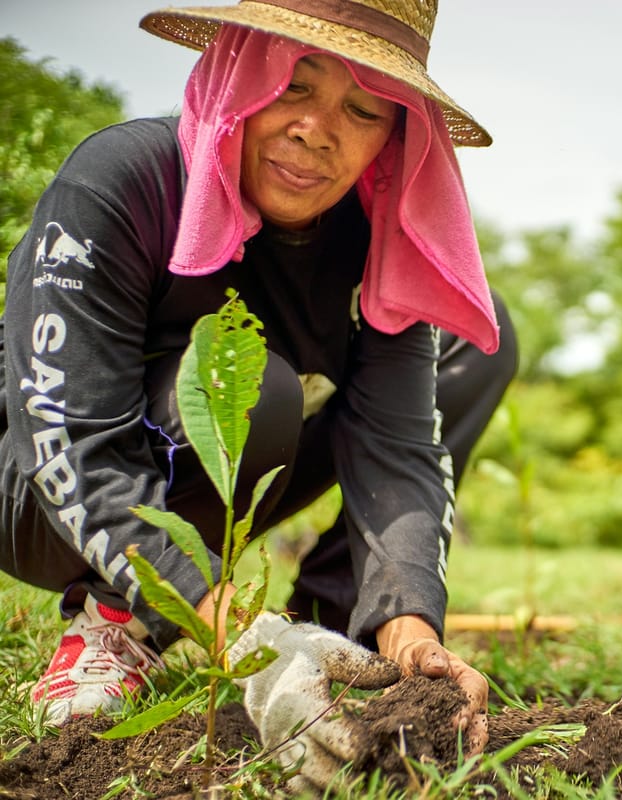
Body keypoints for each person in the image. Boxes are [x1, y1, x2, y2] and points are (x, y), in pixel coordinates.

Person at [0, 0, 517, 788]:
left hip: (218, 476)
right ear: (243, 75)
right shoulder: (124, 180)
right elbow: (74, 441)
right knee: (250, 387)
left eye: (363, 109)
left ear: (396, 133)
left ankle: (331, 630)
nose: (317, 130)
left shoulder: (379, 235)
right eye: (294, 87)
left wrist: (413, 638)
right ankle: (120, 618)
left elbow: (399, 446)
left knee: (481, 337)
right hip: (40, 491)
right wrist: (248, 640)